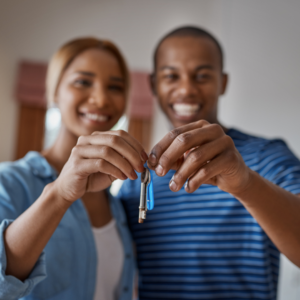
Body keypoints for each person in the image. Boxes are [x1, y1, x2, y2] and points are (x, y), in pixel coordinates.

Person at [119, 26, 300, 300]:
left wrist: (246, 184)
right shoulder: (136, 180)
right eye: (171, 76)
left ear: (223, 82)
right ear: (154, 84)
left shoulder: (267, 157)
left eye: (202, 76)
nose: (186, 89)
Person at [0, 37, 148, 300]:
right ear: (54, 91)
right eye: (83, 81)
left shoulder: (118, 204)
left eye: (115, 87)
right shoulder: (9, 183)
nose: (101, 98)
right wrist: (59, 194)